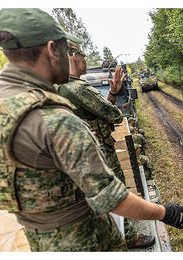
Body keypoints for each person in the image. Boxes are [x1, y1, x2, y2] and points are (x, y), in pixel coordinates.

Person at [0, 8, 183, 252]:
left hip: (39, 237)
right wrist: (166, 212)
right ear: (52, 49)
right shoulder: (54, 119)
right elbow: (112, 198)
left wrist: (113, 93)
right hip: (82, 239)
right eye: (66, 50)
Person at [54, 38, 153, 248]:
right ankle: (129, 237)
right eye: (83, 57)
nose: (84, 62)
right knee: (116, 191)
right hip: (99, 151)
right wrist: (114, 102)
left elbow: (98, 111)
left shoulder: (60, 87)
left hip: (83, 151)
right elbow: (115, 116)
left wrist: (113, 93)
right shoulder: (78, 88)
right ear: (73, 56)